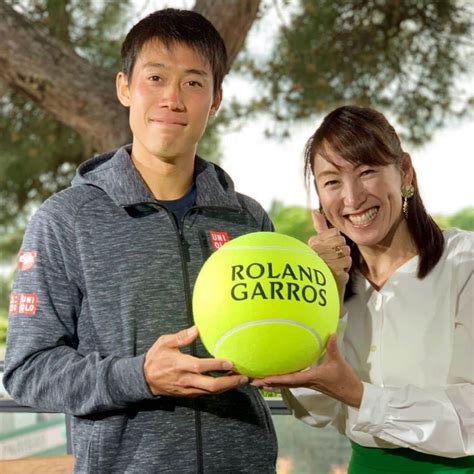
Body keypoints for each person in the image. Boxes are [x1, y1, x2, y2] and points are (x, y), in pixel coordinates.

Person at [3, 9, 277, 473]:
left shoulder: (248, 219)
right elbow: (27, 369)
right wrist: (140, 377)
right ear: (124, 87)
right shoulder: (65, 219)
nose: (172, 98)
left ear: (215, 100)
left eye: (193, 82)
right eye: (156, 77)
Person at [252, 105, 474, 473]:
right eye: (332, 182)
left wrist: (361, 396)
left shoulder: (464, 263)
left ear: (404, 172)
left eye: (367, 172)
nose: (352, 198)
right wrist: (327, 298)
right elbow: (315, 413)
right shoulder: (328, 284)